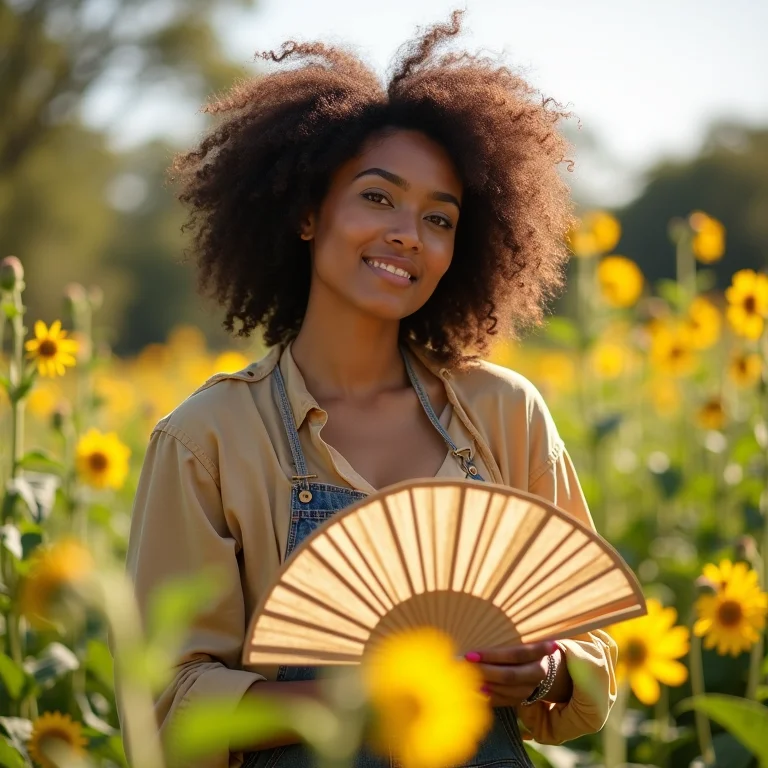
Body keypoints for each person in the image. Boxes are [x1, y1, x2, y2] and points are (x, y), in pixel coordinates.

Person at [123, 11, 617, 768]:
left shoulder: (504, 414)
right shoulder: (208, 439)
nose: (408, 236)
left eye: (439, 218)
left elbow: (593, 644)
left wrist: (547, 671)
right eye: (378, 198)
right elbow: (168, 709)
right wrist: (372, 695)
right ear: (307, 212)